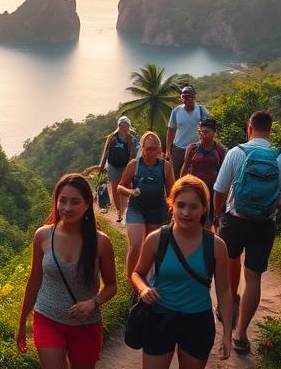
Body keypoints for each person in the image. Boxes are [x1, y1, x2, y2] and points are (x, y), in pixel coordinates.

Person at [131, 175, 233, 369]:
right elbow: (137, 273)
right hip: (160, 320)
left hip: (197, 324)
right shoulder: (157, 239)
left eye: (193, 206)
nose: (186, 212)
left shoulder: (216, 246)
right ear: (172, 206)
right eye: (181, 205)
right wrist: (143, 289)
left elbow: (224, 290)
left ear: (204, 209)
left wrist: (228, 333)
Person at [17, 173, 118, 369]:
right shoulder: (43, 236)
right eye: (62, 201)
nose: (67, 207)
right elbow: (34, 281)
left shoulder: (101, 243)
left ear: (87, 204)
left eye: (74, 202)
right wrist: (22, 323)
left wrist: (92, 302)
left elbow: (112, 286)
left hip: (86, 325)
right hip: (47, 319)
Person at [212, 110, 281, 355]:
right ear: (270, 130)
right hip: (264, 224)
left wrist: (217, 216)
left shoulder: (236, 153)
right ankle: (241, 335)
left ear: (249, 128)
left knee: (230, 264)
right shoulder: (280, 159)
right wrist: (266, 202)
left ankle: (228, 318)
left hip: (234, 221)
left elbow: (219, 189)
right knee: (254, 278)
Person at [118, 131, 175, 277]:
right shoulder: (134, 165)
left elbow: (171, 191)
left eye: (154, 149)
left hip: (156, 210)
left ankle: (147, 278)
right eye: (148, 148)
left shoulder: (165, 166)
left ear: (158, 149)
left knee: (151, 248)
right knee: (136, 245)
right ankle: (132, 280)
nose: (151, 152)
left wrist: (173, 209)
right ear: (142, 148)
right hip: (136, 208)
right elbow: (120, 187)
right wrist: (131, 192)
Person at [180, 118, 227, 228]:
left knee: (208, 225)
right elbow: (183, 172)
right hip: (194, 191)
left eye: (207, 132)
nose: (203, 135)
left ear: (214, 132)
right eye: (201, 131)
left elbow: (223, 175)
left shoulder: (220, 150)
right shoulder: (192, 149)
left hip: (212, 193)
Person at [97, 115, 139, 223]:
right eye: (122, 125)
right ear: (119, 125)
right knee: (115, 190)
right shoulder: (111, 137)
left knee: (126, 189)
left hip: (126, 166)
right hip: (112, 166)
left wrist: (133, 168)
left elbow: (135, 155)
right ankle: (119, 212)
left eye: (126, 125)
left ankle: (127, 210)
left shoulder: (131, 139)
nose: (124, 127)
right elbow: (106, 152)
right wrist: (101, 167)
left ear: (129, 126)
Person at [165, 87, 209, 178]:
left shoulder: (201, 110)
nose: (186, 100)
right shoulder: (176, 111)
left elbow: (208, 129)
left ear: (194, 97)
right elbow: (171, 131)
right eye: (183, 97)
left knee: (194, 175)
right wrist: (168, 150)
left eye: (188, 97)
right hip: (178, 149)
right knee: (176, 176)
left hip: (196, 149)